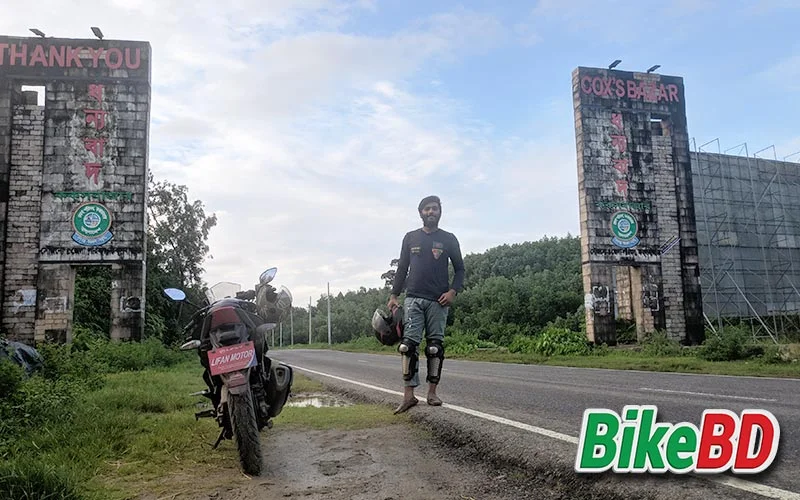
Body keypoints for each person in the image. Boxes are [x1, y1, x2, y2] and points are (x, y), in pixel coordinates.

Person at [388, 195, 465, 414]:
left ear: (440, 212)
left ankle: (432, 394)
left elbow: (460, 269)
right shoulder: (410, 237)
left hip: (439, 301)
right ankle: (409, 396)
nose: (431, 212)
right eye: (427, 209)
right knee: (407, 347)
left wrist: (452, 292)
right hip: (413, 298)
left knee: (434, 348)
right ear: (420, 212)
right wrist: (394, 295)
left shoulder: (449, 239)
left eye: (434, 208)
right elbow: (402, 268)